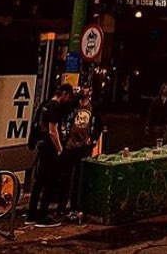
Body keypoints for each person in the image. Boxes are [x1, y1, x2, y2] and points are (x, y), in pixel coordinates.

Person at [27, 83, 74, 227]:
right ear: (64, 94)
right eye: (68, 96)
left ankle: (31, 214)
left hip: (42, 146)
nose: (68, 99)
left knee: (39, 182)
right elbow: (53, 131)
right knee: (49, 181)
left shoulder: (45, 104)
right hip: (50, 148)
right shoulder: (55, 107)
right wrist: (60, 148)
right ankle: (43, 216)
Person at [57, 85, 103, 221]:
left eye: (86, 88)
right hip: (70, 145)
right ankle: (61, 205)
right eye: (82, 87)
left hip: (84, 146)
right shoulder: (73, 105)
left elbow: (99, 124)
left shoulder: (93, 107)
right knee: (65, 176)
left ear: (91, 91)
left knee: (79, 177)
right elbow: (64, 114)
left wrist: (93, 138)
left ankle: (74, 206)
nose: (83, 90)